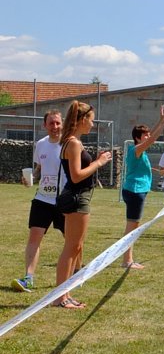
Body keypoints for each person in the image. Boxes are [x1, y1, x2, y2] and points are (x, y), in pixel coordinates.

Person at [53, 101, 112, 309]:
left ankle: (64, 294)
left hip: (76, 197)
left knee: (75, 248)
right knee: (72, 248)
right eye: (91, 120)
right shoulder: (74, 143)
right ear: (82, 119)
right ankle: (61, 296)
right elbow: (77, 176)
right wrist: (99, 162)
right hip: (78, 197)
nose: (93, 124)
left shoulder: (70, 141)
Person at [12, 110, 66, 292]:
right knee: (34, 236)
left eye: (57, 123)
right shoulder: (41, 144)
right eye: (51, 123)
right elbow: (39, 167)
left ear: (62, 124)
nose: (55, 127)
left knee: (73, 241)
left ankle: (76, 274)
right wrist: (31, 177)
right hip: (42, 198)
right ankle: (28, 278)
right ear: (45, 125)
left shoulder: (69, 143)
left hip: (64, 200)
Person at [120, 105, 164, 269]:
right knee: (131, 227)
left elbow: (149, 139)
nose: (148, 136)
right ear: (138, 138)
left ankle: (128, 259)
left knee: (133, 226)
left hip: (136, 190)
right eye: (145, 135)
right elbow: (151, 140)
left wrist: (161, 121)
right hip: (135, 191)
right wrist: (162, 125)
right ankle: (127, 261)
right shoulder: (136, 148)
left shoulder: (138, 150)